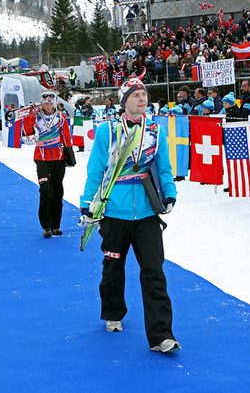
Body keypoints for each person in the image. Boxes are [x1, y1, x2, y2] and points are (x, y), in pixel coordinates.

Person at [80, 76, 180, 353]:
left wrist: (169, 192)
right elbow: (96, 169)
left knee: (154, 272)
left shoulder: (155, 132)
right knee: (113, 267)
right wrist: (88, 202)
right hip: (114, 211)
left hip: (147, 212)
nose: (142, 98)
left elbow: (163, 167)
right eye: (135, 95)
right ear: (125, 101)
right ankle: (113, 311)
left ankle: (161, 335)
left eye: (145, 94)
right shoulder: (108, 131)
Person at [23, 91, 74, 237]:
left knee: (58, 192)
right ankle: (46, 226)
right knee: (45, 190)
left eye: (51, 103)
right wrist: (28, 116)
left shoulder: (60, 116)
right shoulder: (36, 116)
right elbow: (27, 132)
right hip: (42, 158)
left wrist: (69, 153)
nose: (49, 106)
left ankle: (56, 225)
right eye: (46, 103)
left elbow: (66, 135)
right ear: (42, 103)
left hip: (58, 158)